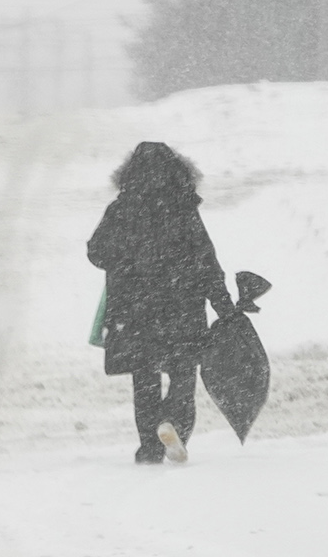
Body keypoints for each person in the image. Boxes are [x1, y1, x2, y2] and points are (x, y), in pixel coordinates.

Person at [87, 142, 236, 464]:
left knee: (145, 380)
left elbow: (96, 252)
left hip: (134, 308)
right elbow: (206, 260)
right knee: (183, 373)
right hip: (182, 306)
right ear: (177, 170)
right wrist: (223, 304)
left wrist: (127, 261)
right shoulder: (183, 209)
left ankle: (149, 446)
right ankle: (173, 422)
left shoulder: (121, 209)